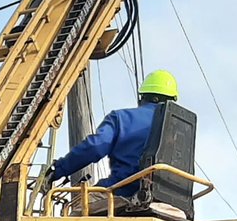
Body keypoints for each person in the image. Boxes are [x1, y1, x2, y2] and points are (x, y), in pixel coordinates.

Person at [47, 69, 179, 200]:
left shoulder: (120, 118)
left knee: (77, 210)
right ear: (172, 100)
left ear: (143, 96)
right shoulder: (180, 128)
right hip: (170, 203)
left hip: (120, 193)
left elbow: (95, 147)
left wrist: (59, 169)